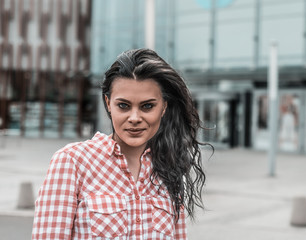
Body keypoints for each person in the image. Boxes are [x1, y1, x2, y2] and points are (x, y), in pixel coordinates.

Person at [32, 48, 210, 239]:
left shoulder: (170, 168)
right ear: (108, 103)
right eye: (123, 106)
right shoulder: (72, 161)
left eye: (147, 106)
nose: (134, 118)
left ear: (164, 107)